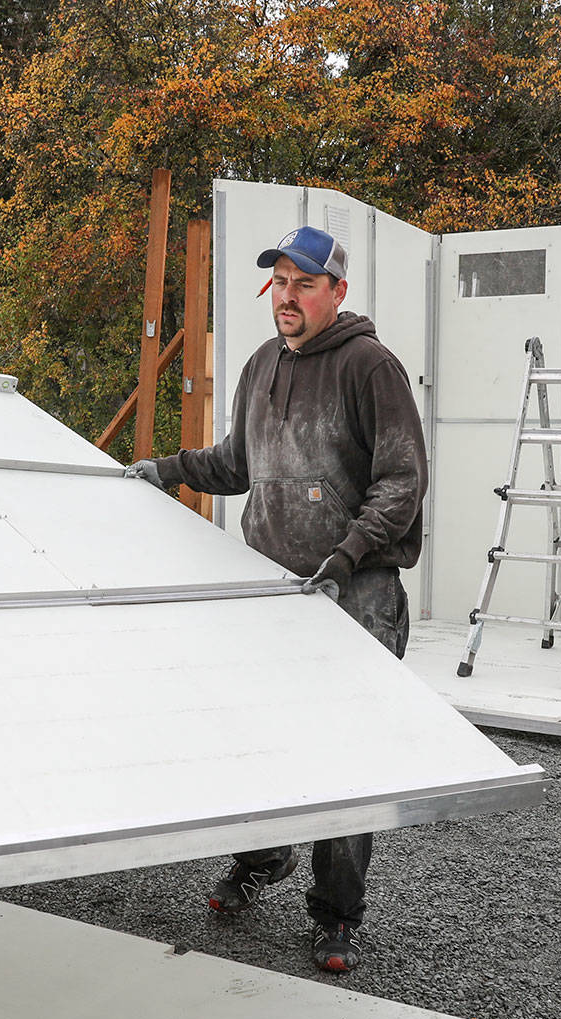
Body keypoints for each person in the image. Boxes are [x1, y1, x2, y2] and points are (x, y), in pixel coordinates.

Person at [125, 225, 427, 974]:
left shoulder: (372, 367)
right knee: (254, 736)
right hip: (272, 592)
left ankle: (336, 916)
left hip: (356, 593)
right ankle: (263, 858)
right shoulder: (262, 364)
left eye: (305, 283)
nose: (288, 297)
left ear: (337, 292)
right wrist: (167, 469)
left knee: (346, 757)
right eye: (280, 282)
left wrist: (345, 556)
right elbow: (237, 462)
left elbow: (401, 481)